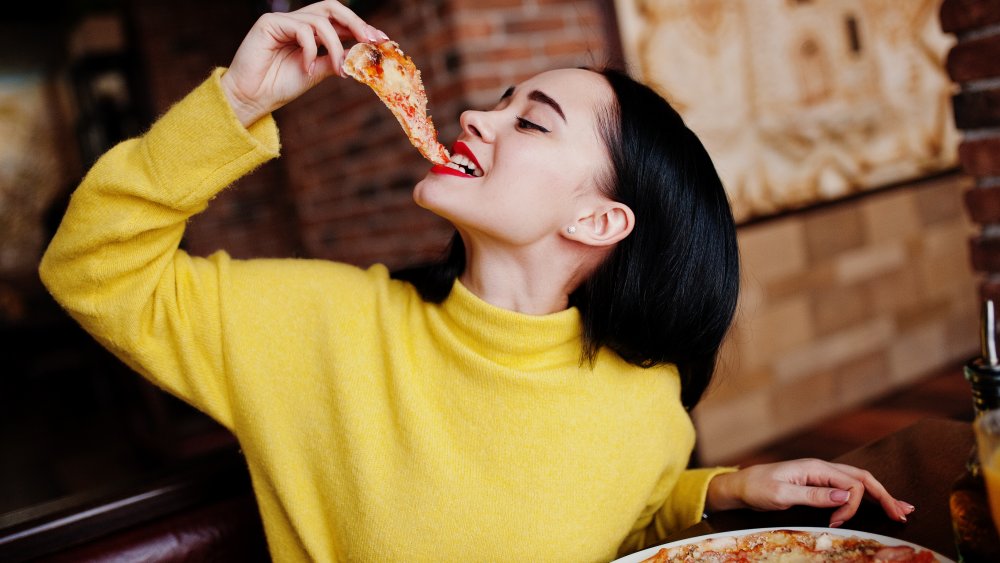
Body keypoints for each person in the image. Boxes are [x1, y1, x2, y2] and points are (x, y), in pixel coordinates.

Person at [39, 2, 914, 561]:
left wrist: (716, 489)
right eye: (499, 101)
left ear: (599, 221)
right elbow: (90, 268)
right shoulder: (318, 325)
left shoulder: (645, 402)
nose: (472, 118)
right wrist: (234, 102)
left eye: (527, 120)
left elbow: (617, 513)